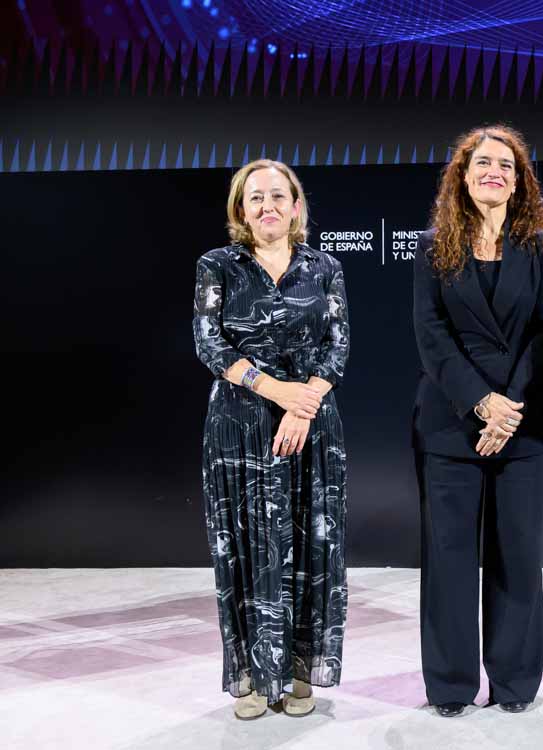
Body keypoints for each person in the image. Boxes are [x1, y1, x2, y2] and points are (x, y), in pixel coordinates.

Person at [412, 125, 543, 717]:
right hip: (452, 424)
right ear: (463, 174)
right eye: (483, 163)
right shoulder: (433, 246)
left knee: (518, 557)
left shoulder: (541, 245)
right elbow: (431, 334)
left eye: (506, 164)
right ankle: (450, 685)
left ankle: (514, 682)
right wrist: (481, 402)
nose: (494, 172)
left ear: (519, 178)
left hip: (523, 423)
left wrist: (510, 406)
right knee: (449, 560)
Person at [192, 159, 349, 720]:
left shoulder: (324, 266)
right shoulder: (218, 266)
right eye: (255, 198)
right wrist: (276, 390)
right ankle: (257, 679)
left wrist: (302, 404)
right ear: (241, 210)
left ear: (296, 206)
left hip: (311, 426)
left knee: (311, 544)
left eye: (278, 197)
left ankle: (301, 671)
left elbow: (338, 345)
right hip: (240, 429)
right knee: (248, 548)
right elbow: (209, 344)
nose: (268, 207)